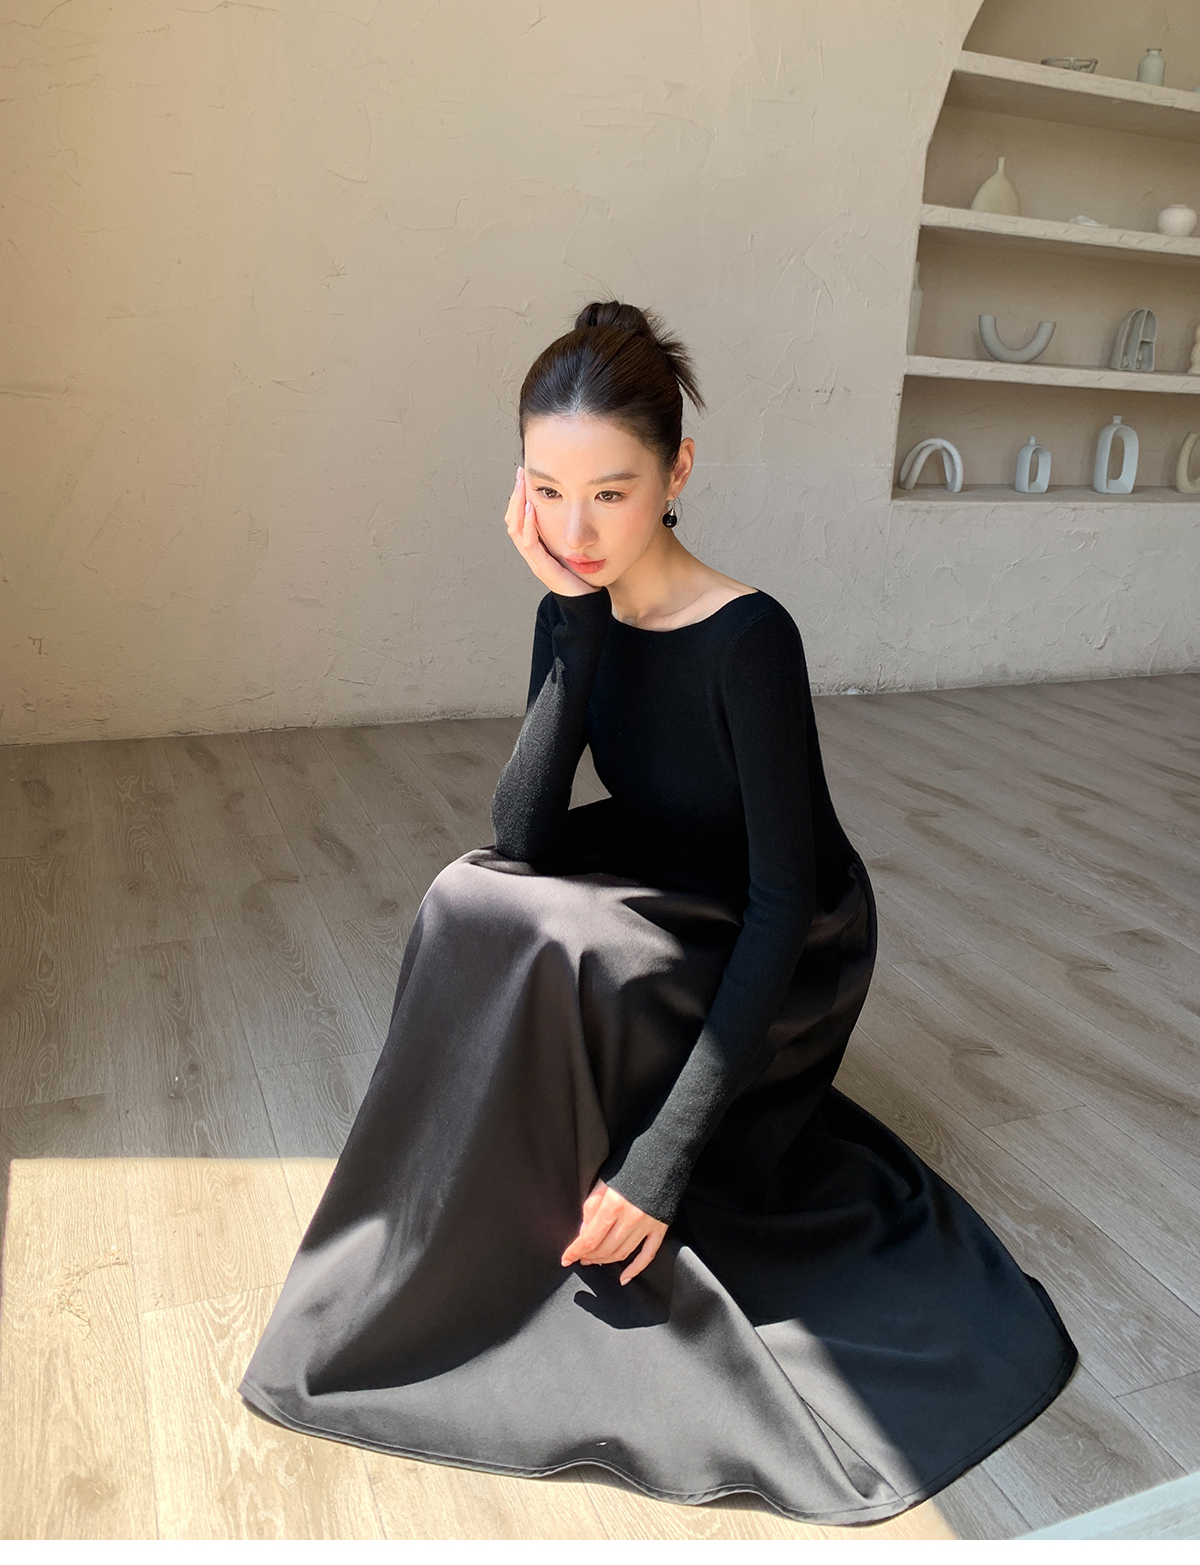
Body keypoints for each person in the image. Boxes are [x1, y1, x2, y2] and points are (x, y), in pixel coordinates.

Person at [239, 300, 1078, 1526]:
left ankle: (590, 1173)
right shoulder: (572, 600)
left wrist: (661, 1166)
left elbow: (787, 899)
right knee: (471, 893)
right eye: (546, 492)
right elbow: (523, 832)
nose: (574, 531)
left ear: (678, 474)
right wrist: (574, 620)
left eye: (611, 495)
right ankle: (438, 1220)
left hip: (782, 935)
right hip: (663, 870)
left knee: (563, 937)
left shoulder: (750, 638)